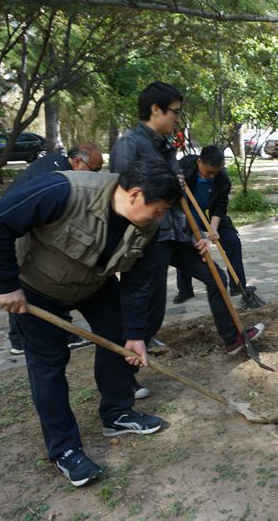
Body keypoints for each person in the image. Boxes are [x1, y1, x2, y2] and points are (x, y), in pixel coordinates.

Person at [0, 163, 183, 487]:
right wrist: (4, 284)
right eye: (159, 210)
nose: (160, 217)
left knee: (117, 340)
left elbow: (137, 281)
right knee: (49, 364)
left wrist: (135, 334)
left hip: (94, 284)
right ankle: (65, 450)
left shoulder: (147, 225)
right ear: (136, 194)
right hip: (37, 288)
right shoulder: (65, 192)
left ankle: (117, 413)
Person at [111, 82, 264, 356]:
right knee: (152, 306)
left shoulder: (166, 147)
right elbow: (124, 199)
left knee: (217, 276)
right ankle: (126, 372)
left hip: (177, 233)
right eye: (175, 112)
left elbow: (177, 200)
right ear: (155, 110)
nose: (178, 118)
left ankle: (232, 338)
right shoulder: (129, 146)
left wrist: (198, 236)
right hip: (149, 238)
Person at [5, 144, 104, 355]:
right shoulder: (56, 175)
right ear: (77, 161)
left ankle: (18, 340)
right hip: (16, 226)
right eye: (94, 170)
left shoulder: (58, 164)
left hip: (22, 224)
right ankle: (53, 336)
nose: (96, 176)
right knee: (33, 280)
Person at [173, 145, 255, 303]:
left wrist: (213, 229)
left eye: (215, 172)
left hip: (210, 212)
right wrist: (175, 182)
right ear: (199, 162)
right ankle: (185, 290)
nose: (212, 176)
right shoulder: (184, 167)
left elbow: (220, 206)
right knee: (184, 245)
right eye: (209, 172)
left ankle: (238, 286)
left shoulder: (222, 179)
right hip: (187, 211)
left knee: (232, 241)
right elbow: (167, 179)